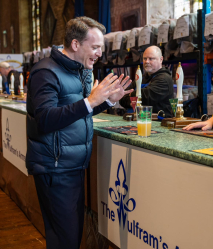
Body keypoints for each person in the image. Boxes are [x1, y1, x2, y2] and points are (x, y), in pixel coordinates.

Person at [26, 16, 133, 249]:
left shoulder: (80, 71)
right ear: (75, 44)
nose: (99, 54)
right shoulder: (45, 72)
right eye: (94, 47)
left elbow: (77, 115)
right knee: (65, 239)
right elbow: (45, 119)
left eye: (100, 49)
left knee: (72, 236)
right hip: (54, 166)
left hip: (73, 164)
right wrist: (90, 100)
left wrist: (105, 102)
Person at [119, 46, 174, 117]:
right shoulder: (142, 77)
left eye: (151, 59)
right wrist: (135, 99)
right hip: (137, 120)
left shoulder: (164, 79)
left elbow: (146, 98)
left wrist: (130, 97)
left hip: (157, 123)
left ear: (161, 59)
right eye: (145, 58)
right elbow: (121, 98)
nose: (147, 61)